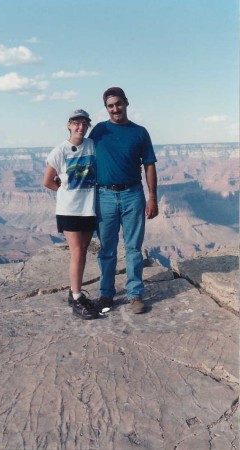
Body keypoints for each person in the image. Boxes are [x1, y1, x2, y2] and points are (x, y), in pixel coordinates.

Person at [89, 87, 158, 314]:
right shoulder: (99, 131)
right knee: (107, 248)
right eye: (110, 106)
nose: (115, 109)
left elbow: (149, 165)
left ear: (126, 103)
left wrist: (152, 198)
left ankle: (135, 294)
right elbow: (83, 156)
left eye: (118, 104)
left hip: (132, 195)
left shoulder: (139, 132)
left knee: (133, 248)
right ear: (106, 108)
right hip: (104, 195)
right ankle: (106, 294)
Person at [43, 109, 99, 320]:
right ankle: (76, 298)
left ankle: (75, 292)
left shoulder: (91, 145)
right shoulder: (60, 151)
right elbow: (48, 181)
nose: (80, 127)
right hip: (70, 209)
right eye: (76, 123)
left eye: (84, 124)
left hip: (90, 208)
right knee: (76, 251)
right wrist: (66, 192)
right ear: (69, 125)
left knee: (83, 249)